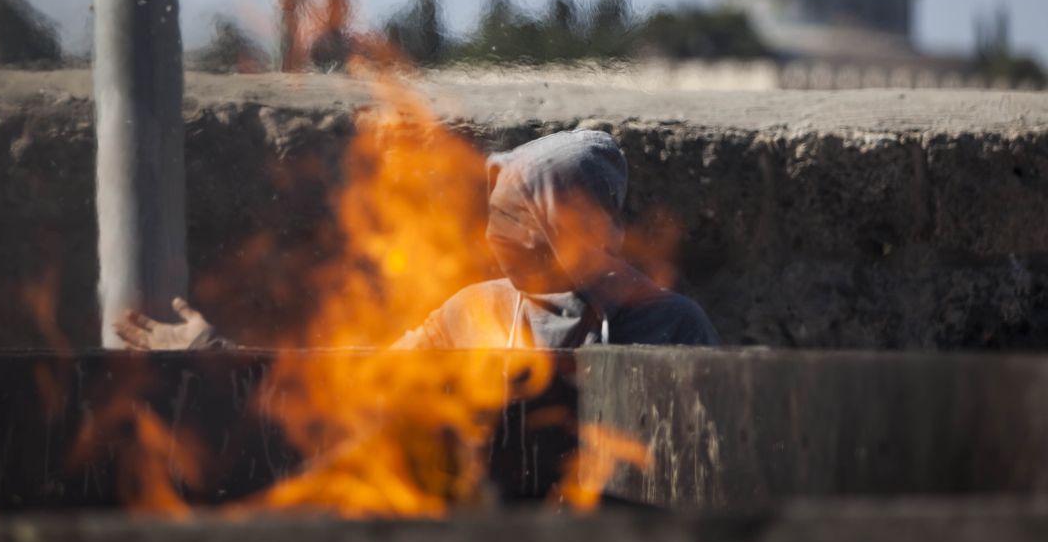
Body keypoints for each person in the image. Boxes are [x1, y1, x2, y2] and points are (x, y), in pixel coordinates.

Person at [114, 130, 718, 351]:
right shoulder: (474, 312)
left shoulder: (671, 327)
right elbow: (360, 383)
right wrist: (213, 350)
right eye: (496, 216)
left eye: (522, 220)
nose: (498, 238)